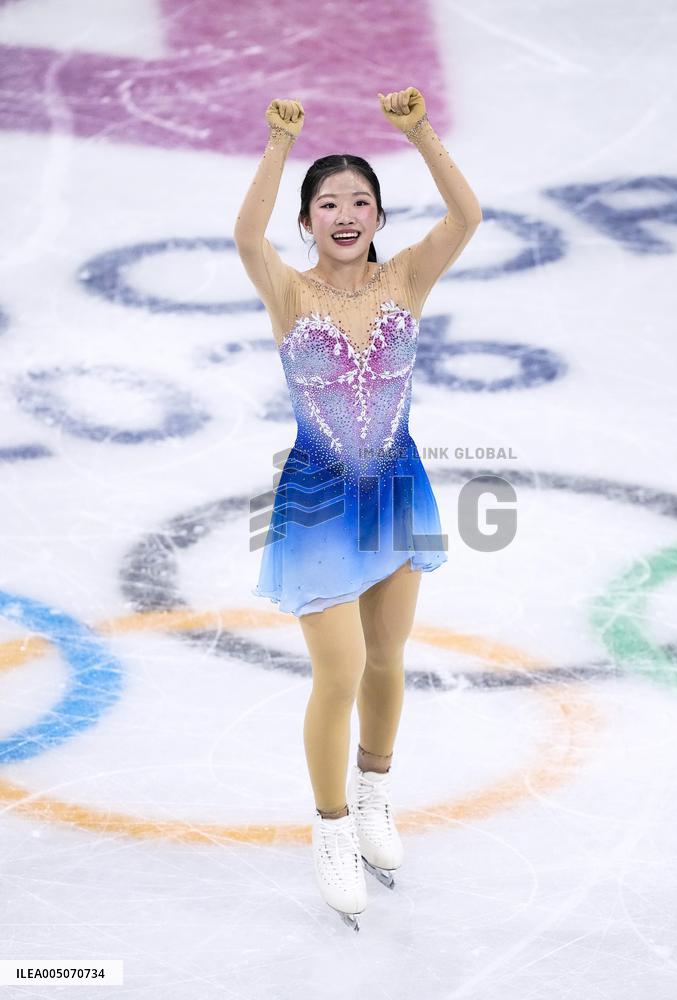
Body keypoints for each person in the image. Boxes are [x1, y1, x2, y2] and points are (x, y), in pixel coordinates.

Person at [233, 86, 482, 930]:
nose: (345, 215)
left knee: (386, 658)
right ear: (307, 221)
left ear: (378, 215)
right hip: (318, 498)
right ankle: (332, 826)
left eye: (360, 202)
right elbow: (246, 237)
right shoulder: (288, 291)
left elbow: (467, 216)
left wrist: (419, 132)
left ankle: (375, 793)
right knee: (337, 673)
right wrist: (277, 145)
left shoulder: (407, 275)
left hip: (397, 487)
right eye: (329, 204)